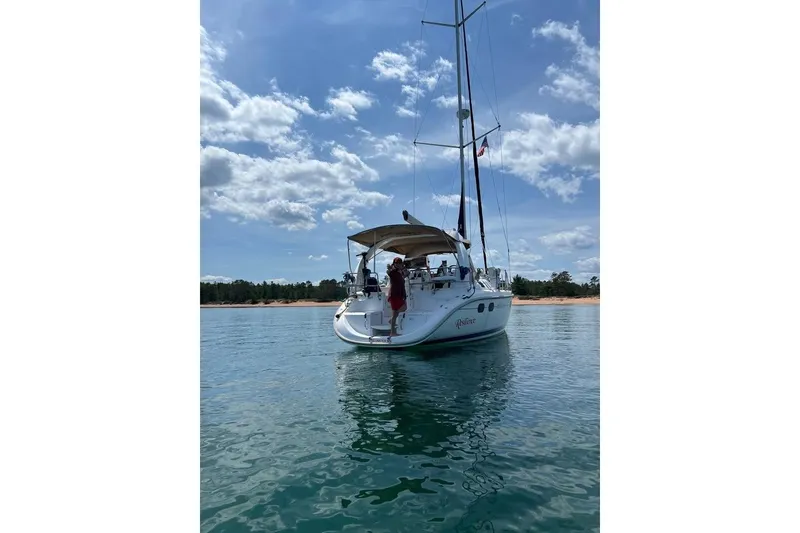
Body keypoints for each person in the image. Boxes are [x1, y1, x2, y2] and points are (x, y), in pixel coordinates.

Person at [387, 257, 407, 337]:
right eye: (397, 263)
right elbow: (388, 272)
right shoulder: (392, 272)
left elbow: (406, 274)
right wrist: (392, 268)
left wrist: (403, 269)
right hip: (394, 295)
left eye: (400, 263)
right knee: (395, 313)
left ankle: (391, 322)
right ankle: (392, 332)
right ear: (394, 264)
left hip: (400, 294)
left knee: (403, 308)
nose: (398, 264)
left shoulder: (400, 273)